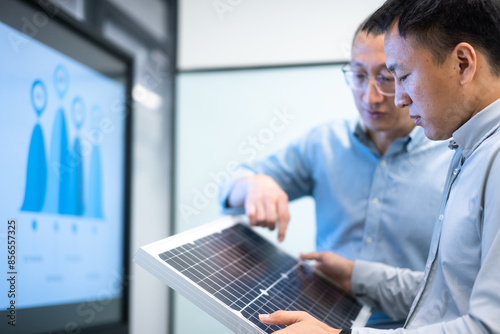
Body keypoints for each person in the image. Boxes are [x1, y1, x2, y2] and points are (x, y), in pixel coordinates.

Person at [258, 0, 500, 332]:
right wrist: (357, 277)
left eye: (401, 76)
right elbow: (443, 295)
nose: (396, 97)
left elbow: (488, 327)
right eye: (359, 76)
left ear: (462, 64)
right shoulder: (468, 150)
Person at [220, 18, 453, 328]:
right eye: (358, 75)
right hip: (319, 323)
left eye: (387, 77)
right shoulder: (324, 144)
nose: (369, 97)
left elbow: (456, 291)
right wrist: (252, 184)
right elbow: (231, 188)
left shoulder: (454, 156)